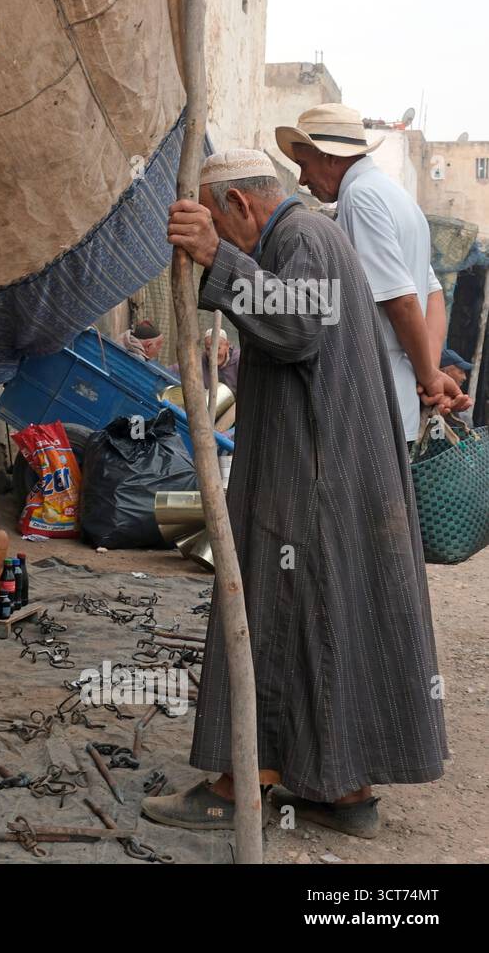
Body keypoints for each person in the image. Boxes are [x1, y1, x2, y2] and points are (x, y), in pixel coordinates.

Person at [148, 149, 446, 839]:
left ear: (240, 207)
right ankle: (344, 791)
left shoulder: (302, 236)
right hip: (330, 460)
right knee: (330, 614)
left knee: (275, 607)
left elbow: (297, 325)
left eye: (217, 217)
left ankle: (238, 783)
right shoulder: (306, 236)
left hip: (312, 469)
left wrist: (219, 260)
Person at [277, 104, 470, 441]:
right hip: (394, 399)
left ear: (331, 158)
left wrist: (427, 374)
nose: (303, 179)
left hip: (373, 402)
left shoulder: (360, 197)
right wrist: (429, 371)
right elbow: (432, 292)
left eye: (304, 165)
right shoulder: (395, 195)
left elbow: (403, 300)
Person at [167, 326, 240, 390]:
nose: (213, 354)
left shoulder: (239, 360)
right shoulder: (199, 362)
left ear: (227, 346)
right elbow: (172, 371)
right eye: (208, 349)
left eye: (218, 348)